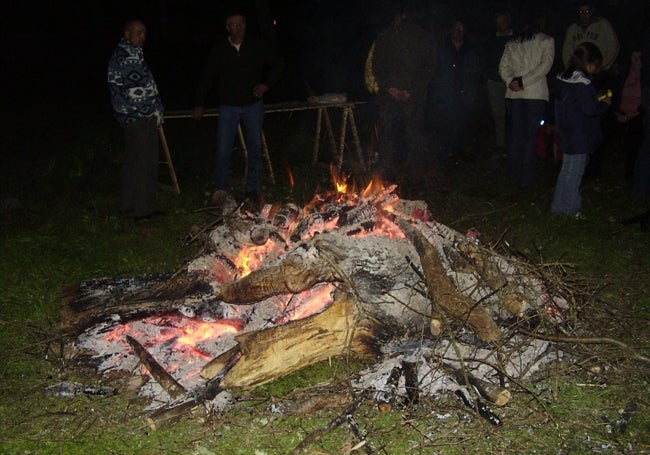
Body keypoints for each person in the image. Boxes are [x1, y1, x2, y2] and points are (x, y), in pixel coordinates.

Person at [192, 11, 283, 207]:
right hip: (228, 108)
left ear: (245, 25)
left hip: (253, 106)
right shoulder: (220, 49)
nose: (237, 27)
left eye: (240, 23)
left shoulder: (256, 45)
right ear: (227, 28)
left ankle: (251, 189)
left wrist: (266, 85)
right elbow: (207, 76)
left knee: (255, 148)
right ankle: (222, 190)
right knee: (224, 149)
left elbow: (278, 65)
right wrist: (199, 102)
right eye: (233, 25)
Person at [107, 19, 165, 221]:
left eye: (144, 33)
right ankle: (143, 211)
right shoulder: (124, 57)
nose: (143, 37)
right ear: (127, 34)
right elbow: (124, 92)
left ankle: (128, 204)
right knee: (144, 164)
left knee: (133, 162)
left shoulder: (133, 54)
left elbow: (145, 86)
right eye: (139, 33)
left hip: (138, 118)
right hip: (138, 119)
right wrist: (145, 112)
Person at [371, 7, 435, 182]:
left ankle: (415, 172)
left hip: (412, 96)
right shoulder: (385, 37)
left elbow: (428, 67)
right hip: (390, 96)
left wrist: (411, 90)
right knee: (388, 133)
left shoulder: (422, 37)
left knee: (413, 133)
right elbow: (377, 65)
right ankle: (387, 169)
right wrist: (389, 88)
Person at [551, 42, 612, 217]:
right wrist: (603, 104)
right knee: (575, 172)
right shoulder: (583, 84)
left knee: (566, 170)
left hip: (566, 132)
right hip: (579, 135)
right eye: (596, 65)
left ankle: (558, 207)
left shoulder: (562, 79)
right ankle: (569, 210)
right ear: (589, 63)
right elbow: (589, 109)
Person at [499, 11, 554, 189]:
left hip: (517, 94)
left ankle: (515, 175)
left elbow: (503, 67)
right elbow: (544, 67)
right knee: (528, 136)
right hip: (534, 95)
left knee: (517, 135)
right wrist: (516, 82)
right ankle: (525, 177)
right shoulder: (546, 40)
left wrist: (513, 82)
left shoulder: (513, 43)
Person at [428, 18, 482, 162]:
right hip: (446, 95)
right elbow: (434, 72)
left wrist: (472, 92)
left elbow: (475, 73)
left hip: (464, 95)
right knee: (446, 125)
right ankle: (446, 155)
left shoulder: (470, 50)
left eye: (461, 28)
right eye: (456, 28)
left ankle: (461, 153)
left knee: (463, 125)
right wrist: (438, 94)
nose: (459, 31)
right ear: (451, 29)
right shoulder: (442, 48)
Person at [481, 10, 513, 155]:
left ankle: (514, 142)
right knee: (498, 114)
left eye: (504, 19)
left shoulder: (516, 39)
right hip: (495, 82)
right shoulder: (490, 40)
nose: (502, 23)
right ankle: (500, 144)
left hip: (513, 83)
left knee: (513, 113)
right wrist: (488, 76)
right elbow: (485, 60)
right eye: (499, 20)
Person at [561, 2, 619, 71]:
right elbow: (567, 51)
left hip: (599, 71)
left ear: (592, 10)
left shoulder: (603, 24)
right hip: (579, 72)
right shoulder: (572, 29)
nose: (584, 15)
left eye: (587, 11)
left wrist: (602, 65)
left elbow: (613, 46)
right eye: (581, 11)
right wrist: (570, 69)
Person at [613, 49, 643, 180]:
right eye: (633, 57)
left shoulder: (645, 77)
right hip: (621, 114)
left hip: (638, 116)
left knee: (635, 135)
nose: (635, 61)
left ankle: (633, 172)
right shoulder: (624, 74)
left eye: (639, 58)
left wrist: (632, 116)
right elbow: (614, 94)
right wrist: (617, 113)